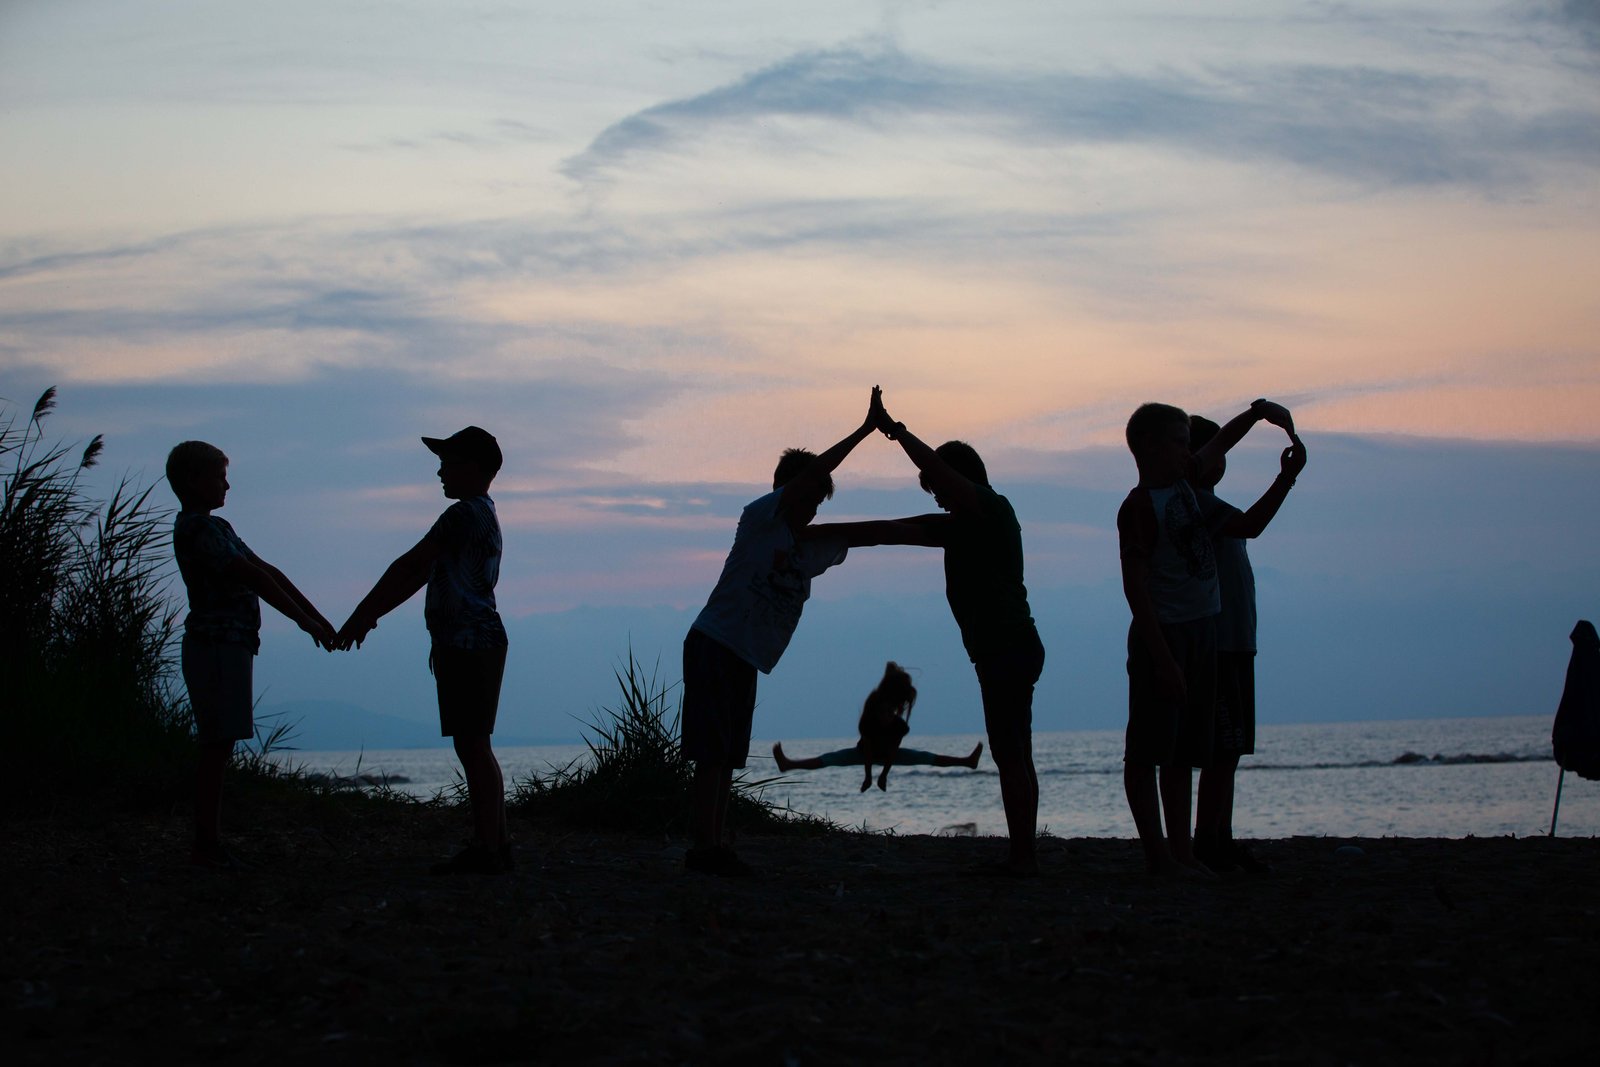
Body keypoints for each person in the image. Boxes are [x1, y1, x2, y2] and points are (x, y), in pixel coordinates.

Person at [804, 394, 1045, 875]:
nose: (936, 497)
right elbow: (886, 530)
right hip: (1003, 649)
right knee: (1015, 750)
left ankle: (1022, 858)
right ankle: (1024, 854)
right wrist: (813, 533)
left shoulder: (992, 510)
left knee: (1010, 752)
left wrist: (896, 431)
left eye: (937, 487)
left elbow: (935, 475)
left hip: (1007, 647)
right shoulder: (959, 527)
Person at [680, 388, 883, 876]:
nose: (812, 508)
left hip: (745, 655)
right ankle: (703, 847)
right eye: (808, 497)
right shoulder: (760, 519)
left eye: (818, 502)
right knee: (710, 754)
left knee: (727, 756)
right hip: (715, 642)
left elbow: (874, 531)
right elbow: (810, 478)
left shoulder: (809, 547)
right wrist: (864, 429)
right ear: (785, 491)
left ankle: (715, 844)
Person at [1116, 399, 1296, 877]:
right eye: (1180, 443)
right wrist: (1164, 659)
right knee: (1147, 753)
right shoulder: (1138, 507)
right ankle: (1159, 856)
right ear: (1153, 448)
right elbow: (1135, 589)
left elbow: (1225, 455)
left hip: (1203, 633)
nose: (1190, 452)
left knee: (1181, 755)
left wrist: (1258, 415)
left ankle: (1183, 853)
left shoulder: (1188, 488)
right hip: (1164, 638)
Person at [336, 426, 511, 875]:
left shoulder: (462, 516)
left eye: (448, 462)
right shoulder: (481, 513)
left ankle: (487, 849)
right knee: (475, 744)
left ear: (473, 468)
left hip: (469, 642)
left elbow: (412, 566)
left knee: (472, 745)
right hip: (473, 640)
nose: (439, 471)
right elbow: (417, 571)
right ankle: (493, 841)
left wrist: (365, 613)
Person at [166, 441, 337, 868]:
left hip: (232, 644)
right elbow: (251, 575)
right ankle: (206, 844)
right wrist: (304, 621)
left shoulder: (218, 527)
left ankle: (209, 840)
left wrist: (316, 617)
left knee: (219, 744)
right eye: (219, 476)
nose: (227, 484)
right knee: (216, 744)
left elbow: (267, 570)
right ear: (193, 481)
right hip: (216, 644)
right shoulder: (197, 529)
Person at [1187, 414, 1306, 874]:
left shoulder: (1209, 504)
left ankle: (1218, 836)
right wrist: (1286, 479)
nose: (1222, 460)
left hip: (1235, 645)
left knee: (1229, 749)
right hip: (1219, 646)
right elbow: (1254, 524)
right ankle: (1209, 841)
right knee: (1221, 749)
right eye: (1217, 450)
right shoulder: (1198, 505)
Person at [772, 661, 984, 792]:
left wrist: (883, 775)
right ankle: (788, 764)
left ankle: (967, 761)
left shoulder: (898, 724)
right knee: (830, 759)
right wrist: (868, 777)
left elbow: (893, 750)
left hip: (888, 753)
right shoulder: (871, 713)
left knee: (926, 757)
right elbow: (868, 745)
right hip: (865, 751)